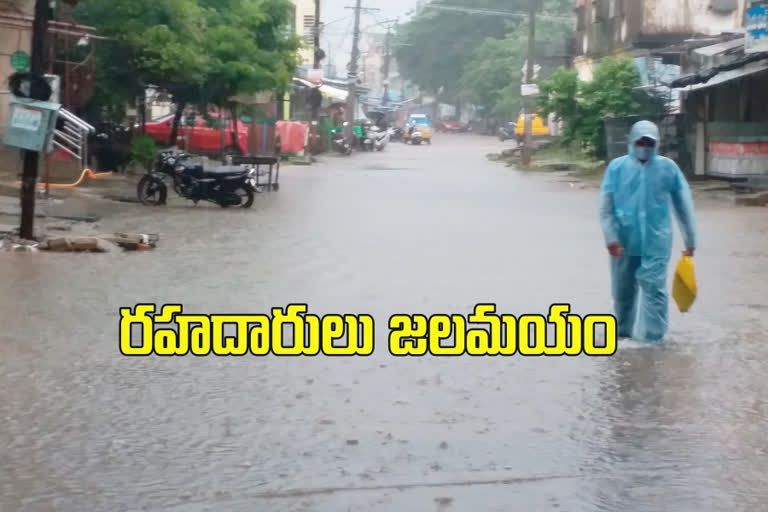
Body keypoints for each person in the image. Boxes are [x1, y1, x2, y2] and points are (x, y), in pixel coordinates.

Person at [598, 120, 698, 343]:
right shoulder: (617, 168)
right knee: (623, 292)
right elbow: (605, 206)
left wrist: (690, 240)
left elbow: (683, 205)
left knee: (654, 289)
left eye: (649, 143)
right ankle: (623, 334)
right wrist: (611, 238)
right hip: (624, 241)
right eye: (640, 142)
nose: (644, 147)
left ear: (657, 144)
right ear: (632, 142)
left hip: (656, 240)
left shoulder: (668, 168)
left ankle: (653, 341)